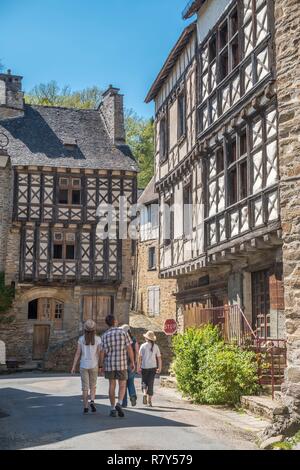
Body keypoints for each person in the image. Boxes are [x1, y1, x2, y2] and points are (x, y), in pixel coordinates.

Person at [99, 315, 135, 418]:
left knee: (112, 385)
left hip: (110, 364)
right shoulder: (123, 333)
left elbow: (102, 352)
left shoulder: (104, 336)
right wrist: (132, 362)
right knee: (122, 384)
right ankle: (119, 403)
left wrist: (101, 365)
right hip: (122, 363)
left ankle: (112, 408)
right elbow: (129, 348)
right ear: (115, 321)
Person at [71, 320, 101, 415]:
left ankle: (85, 407)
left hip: (83, 365)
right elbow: (99, 353)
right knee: (93, 385)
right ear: (94, 329)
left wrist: (73, 366)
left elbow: (78, 353)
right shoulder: (98, 339)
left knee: (85, 388)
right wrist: (100, 365)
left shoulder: (81, 339)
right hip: (94, 364)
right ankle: (92, 400)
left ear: (85, 329)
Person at [138, 331, 162, 407]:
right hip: (153, 367)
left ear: (146, 338)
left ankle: (145, 393)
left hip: (144, 367)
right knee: (151, 383)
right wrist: (159, 368)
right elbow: (159, 358)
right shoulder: (156, 346)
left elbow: (139, 357)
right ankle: (149, 401)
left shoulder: (143, 346)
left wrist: (138, 367)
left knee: (144, 382)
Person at [120, 325, 139, 408]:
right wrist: (137, 364)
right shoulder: (134, 340)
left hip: (123, 363)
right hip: (132, 364)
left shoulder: (122, 339)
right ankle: (133, 395)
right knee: (130, 382)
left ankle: (124, 403)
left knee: (123, 383)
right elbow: (137, 353)